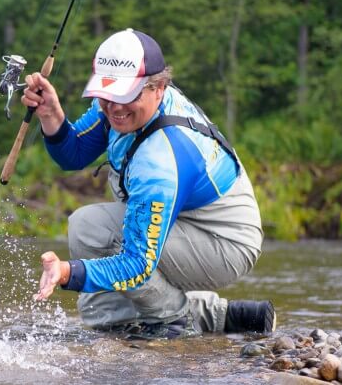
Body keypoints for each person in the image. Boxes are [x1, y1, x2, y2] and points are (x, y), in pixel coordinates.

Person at [22, 28, 274, 338]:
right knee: (87, 227)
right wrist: (51, 115)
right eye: (107, 93)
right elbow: (73, 155)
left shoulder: (160, 159)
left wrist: (67, 272)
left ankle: (175, 319)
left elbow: (137, 264)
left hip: (224, 240)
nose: (115, 107)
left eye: (127, 96)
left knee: (99, 234)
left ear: (160, 87)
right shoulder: (120, 107)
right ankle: (199, 318)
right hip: (185, 218)